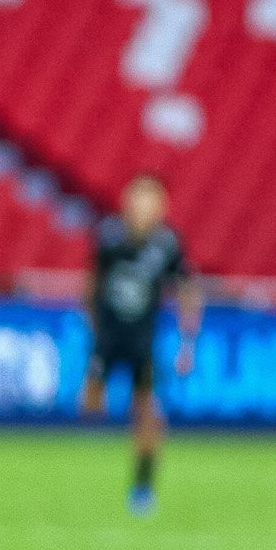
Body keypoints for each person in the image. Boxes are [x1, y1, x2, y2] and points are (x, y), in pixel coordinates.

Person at [80, 174, 201, 514]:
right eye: (137, 200)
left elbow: (188, 291)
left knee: (148, 415)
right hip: (107, 338)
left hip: (141, 341)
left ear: (161, 207)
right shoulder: (109, 236)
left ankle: (143, 485)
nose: (143, 208)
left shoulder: (167, 244)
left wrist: (187, 344)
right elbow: (91, 285)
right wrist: (93, 328)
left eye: (150, 201)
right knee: (89, 406)